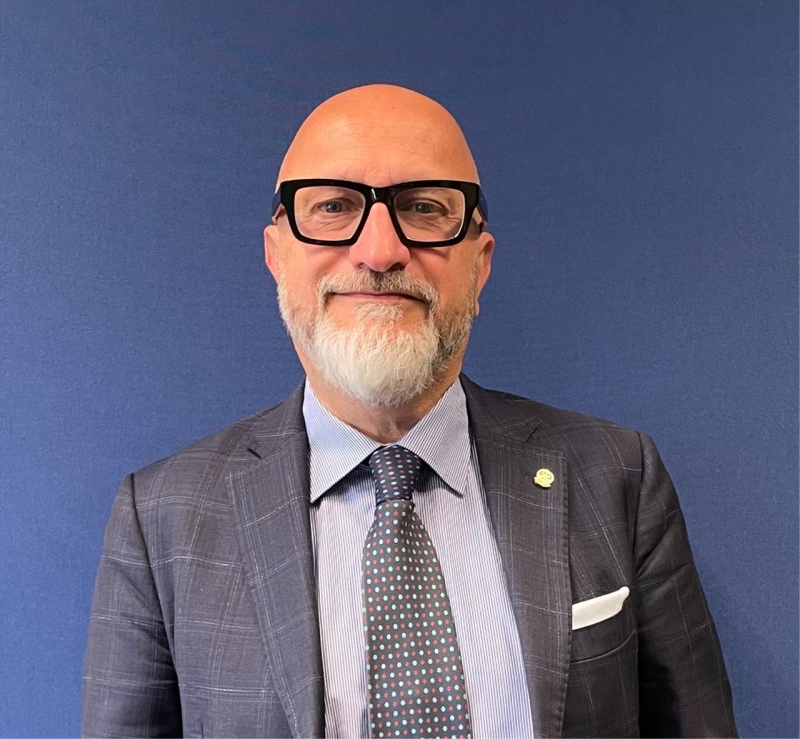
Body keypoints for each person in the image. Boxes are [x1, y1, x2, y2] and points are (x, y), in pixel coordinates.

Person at [83, 84, 737, 738]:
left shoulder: (618, 477)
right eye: (333, 206)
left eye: (423, 208)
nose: (379, 251)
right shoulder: (160, 517)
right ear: (277, 256)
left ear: (479, 264)